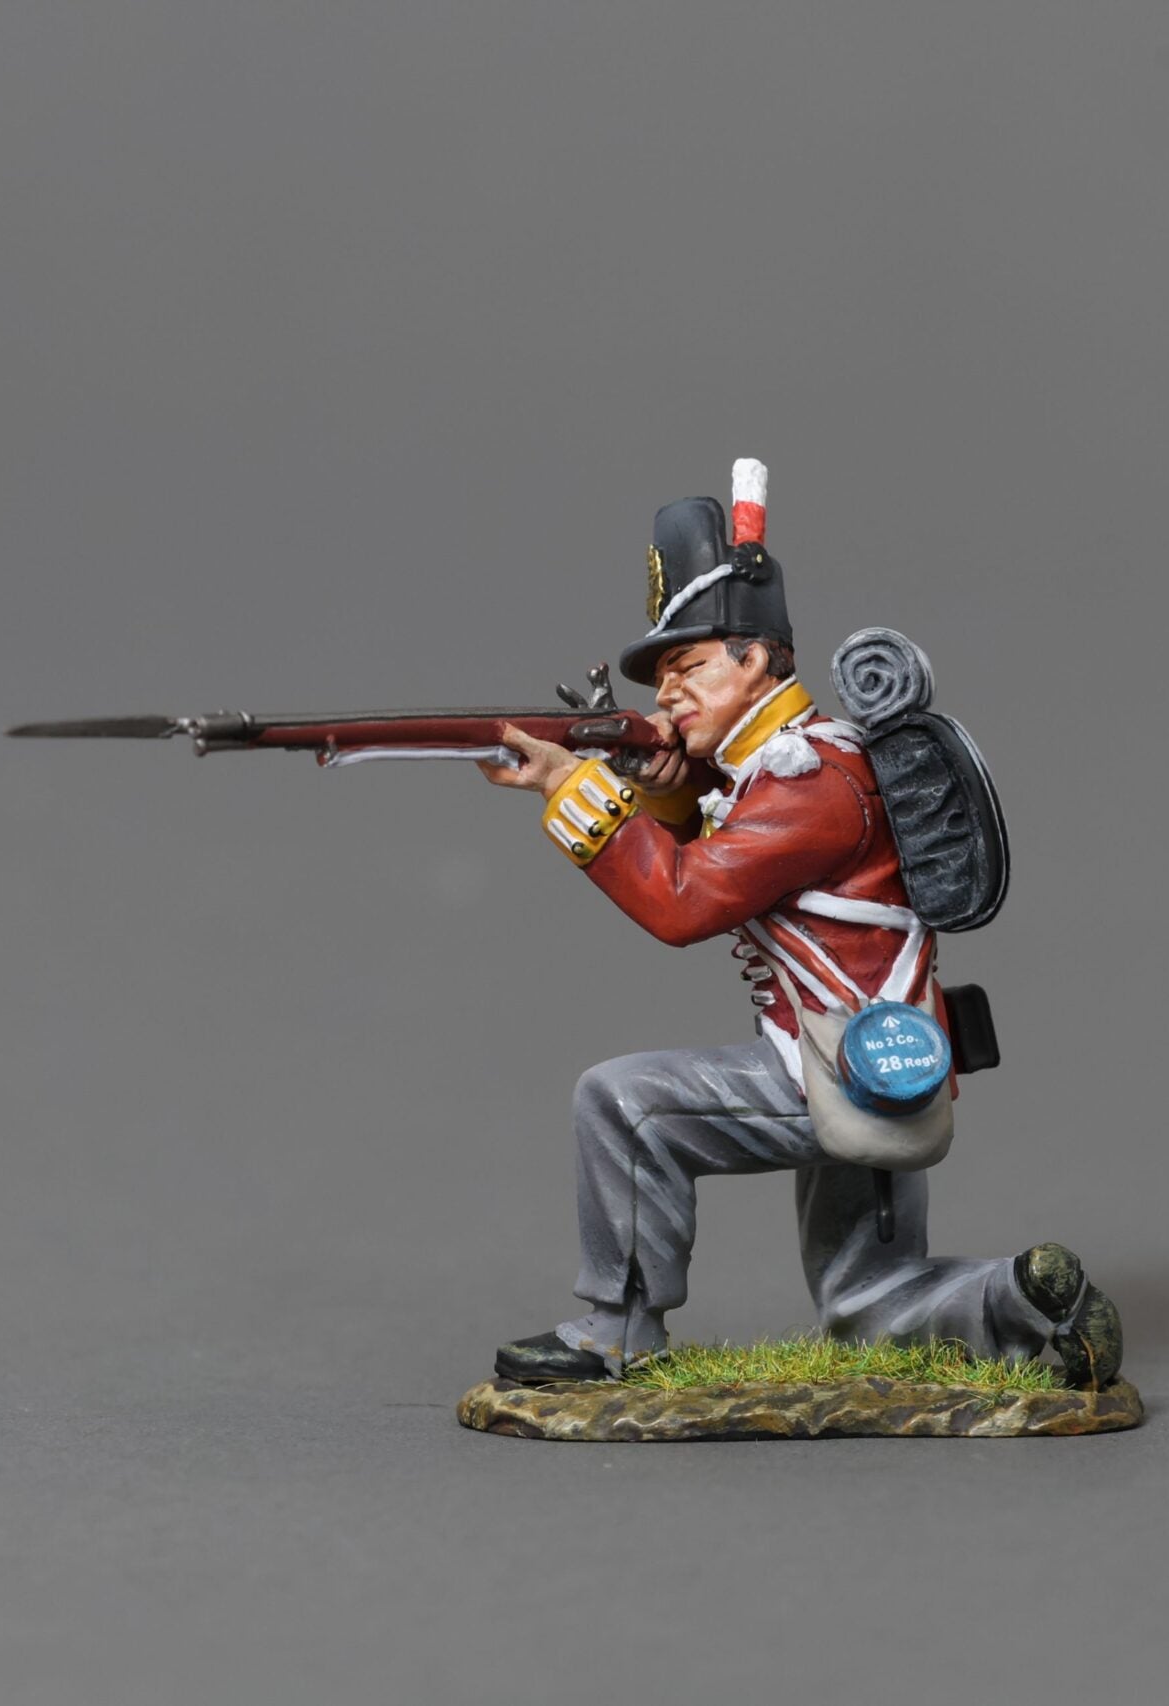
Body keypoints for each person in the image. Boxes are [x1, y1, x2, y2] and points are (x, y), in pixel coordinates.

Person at [477, 462, 1122, 1388]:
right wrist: (669, 790)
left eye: (689, 669)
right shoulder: (796, 764)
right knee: (871, 1303)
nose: (669, 697)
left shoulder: (802, 782)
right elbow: (733, 839)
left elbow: (685, 903)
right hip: (884, 1058)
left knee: (621, 1103)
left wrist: (574, 791)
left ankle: (617, 1333)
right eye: (664, 681)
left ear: (753, 660)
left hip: (829, 1063)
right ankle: (1024, 1300)